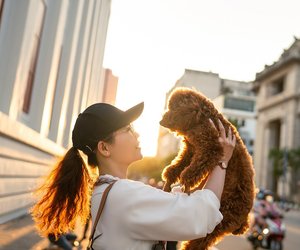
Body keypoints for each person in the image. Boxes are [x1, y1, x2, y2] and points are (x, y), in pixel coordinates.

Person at [31, 102, 236, 250]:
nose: (136, 134)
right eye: (127, 129)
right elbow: (200, 217)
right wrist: (222, 160)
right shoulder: (123, 194)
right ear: (104, 148)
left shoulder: (107, 191)